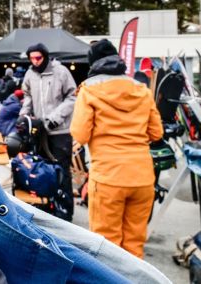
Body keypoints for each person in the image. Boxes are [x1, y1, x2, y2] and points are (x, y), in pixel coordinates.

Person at [70, 39, 163, 258]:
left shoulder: (88, 90)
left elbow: (80, 134)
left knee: (107, 249)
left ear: (92, 63)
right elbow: (156, 133)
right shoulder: (141, 89)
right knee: (134, 246)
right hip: (142, 177)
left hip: (108, 178)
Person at [20, 42, 77, 221]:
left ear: (45, 56)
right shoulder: (30, 74)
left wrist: (55, 118)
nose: (35, 61)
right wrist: (24, 116)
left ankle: (65, 211)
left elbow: (72, 96)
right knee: (43, 170)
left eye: (38, 58)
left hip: (59, 131)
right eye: (31, 58)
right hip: (40, 131)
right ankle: (46, 209)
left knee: (61, 170)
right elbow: (27, 95)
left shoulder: (61, 72)